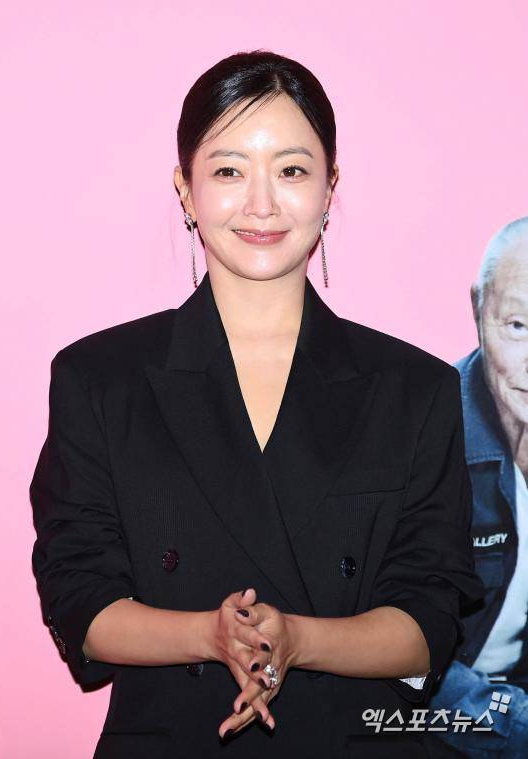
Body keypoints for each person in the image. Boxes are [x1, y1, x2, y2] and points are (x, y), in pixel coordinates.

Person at [29, 49, 485, 759]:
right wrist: (206, 635)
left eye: (292, 170)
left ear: (331, 187)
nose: (262, 204)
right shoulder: (99, 379)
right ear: (186, 190)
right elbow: (79, 596)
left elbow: (429, 618)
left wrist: (298, 639)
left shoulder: (415, 388)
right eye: (229, 171)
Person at [426, 217, 528, 759]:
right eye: (518, 325)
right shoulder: (425, 441)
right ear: (478, 310)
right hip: (431, 728)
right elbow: (401, 664)